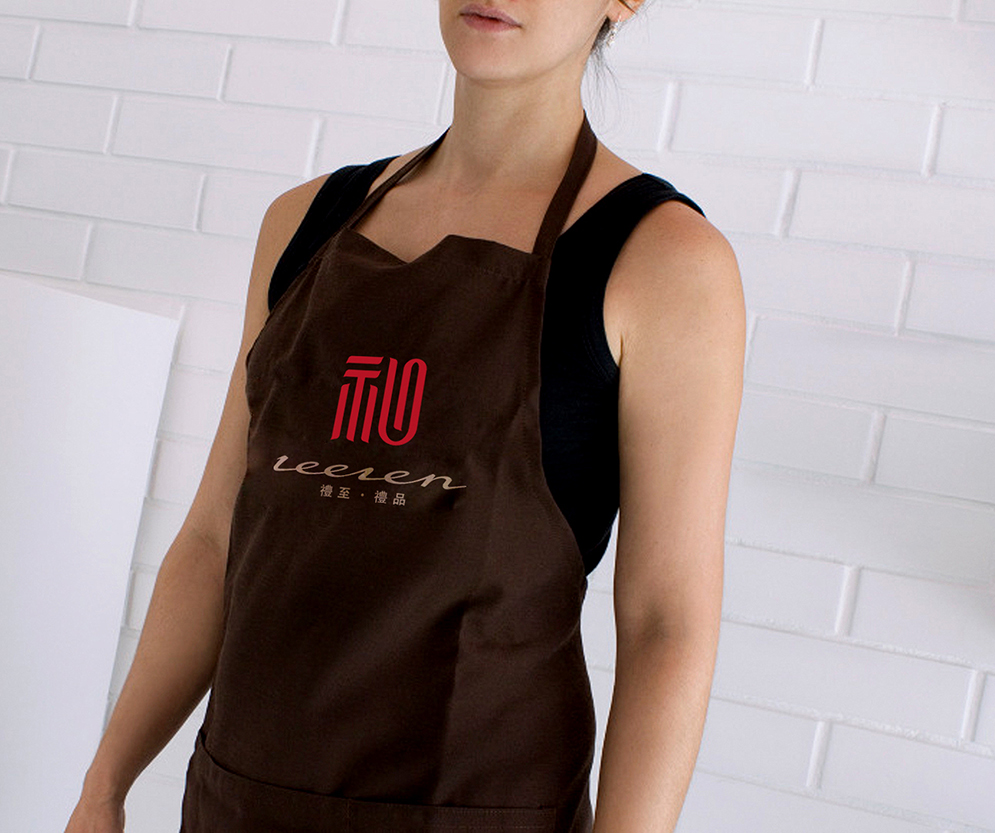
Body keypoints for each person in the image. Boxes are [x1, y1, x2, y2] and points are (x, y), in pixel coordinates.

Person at [65, 0, 744, 830]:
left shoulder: (666, 263)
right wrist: (104, 785)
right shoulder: (303, 223)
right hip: (239, 802)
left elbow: (664, 623)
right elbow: (213, 541)